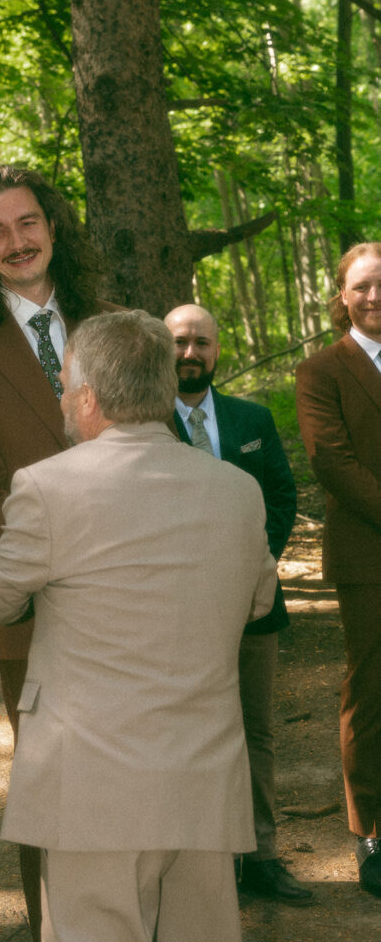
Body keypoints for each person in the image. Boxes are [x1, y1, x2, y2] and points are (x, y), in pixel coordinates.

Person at [0, 310, 277, 942]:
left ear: (88, 398)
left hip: (90, 785)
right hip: (201, 777)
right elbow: (258, 600)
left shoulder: (47, 487)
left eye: (64, 386)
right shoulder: (240, 491)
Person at [0, 165, 120, 942]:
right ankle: (59, 934)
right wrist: (81, 566)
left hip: (139, 603)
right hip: (38, 609)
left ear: (52, 226)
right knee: (53, 790)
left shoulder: (110, 325)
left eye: (27, 222)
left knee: (140, 778)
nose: (16, 241)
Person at [163, 304, 310, 904]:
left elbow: (280, 493)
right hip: (171, 612)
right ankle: (189, 867)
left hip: (253, 604)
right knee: (180, 732)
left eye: (201, 342)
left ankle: (261, 857)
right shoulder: (140, 423)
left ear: (219, 349)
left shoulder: (251, 417)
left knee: (255, 729)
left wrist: (252, 561)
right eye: (179, 343)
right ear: (161, 350)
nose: (190, 353)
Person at [296, 242, 381, 899]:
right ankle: (370, 835)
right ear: (341, 296)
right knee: (372, 694)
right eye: (362, 286)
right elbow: (331, 460)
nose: (374, 296)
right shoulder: (321, 370)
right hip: (368, 556)